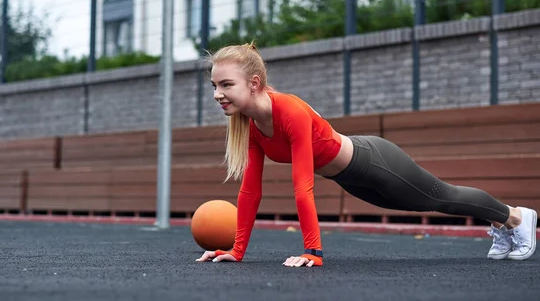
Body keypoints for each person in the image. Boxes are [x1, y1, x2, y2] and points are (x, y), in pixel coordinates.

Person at [195, 42, 537, 267]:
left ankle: (516, 217)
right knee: (425, 203)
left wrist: (313, 252)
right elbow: (251, 191)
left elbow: (303, 186)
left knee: (441, 197)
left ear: (254, 84)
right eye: (214, 86)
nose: (217, 94)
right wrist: (236, 252)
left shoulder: (290, 111)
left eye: (226, 85)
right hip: (353, 179)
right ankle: (501, 221)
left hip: (375, 162)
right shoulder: (252, 124)